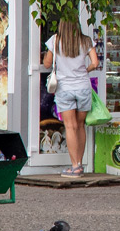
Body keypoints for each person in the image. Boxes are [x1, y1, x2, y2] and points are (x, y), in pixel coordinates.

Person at [42, 18, 99, 178]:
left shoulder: (55, 40)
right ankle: (79, 164)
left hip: (65, 89)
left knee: (70, 126)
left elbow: (47, 64)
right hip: (83, 88)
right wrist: (84, 71)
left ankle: (74, 167)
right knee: (80, 126)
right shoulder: (86, 41)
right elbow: (95, 63)